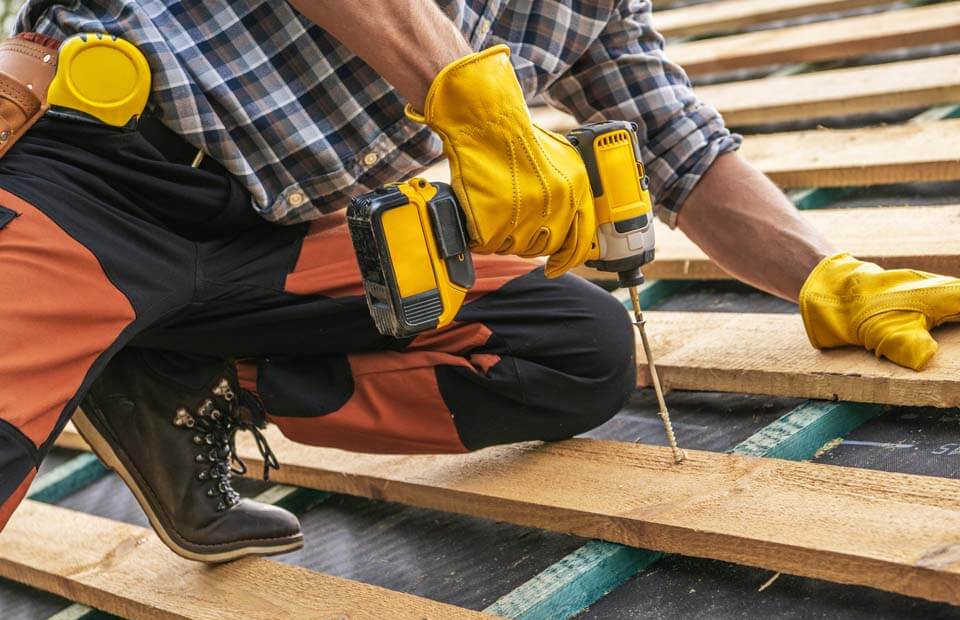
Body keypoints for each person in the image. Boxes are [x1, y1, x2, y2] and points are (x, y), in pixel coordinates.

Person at [1, 0, 957, 561]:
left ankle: (179, 377)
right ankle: (124, 338)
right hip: (96, 172)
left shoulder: (595, 11)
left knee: (572, 349)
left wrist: (828, 274)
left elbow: (683, 151)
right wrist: (467, 88)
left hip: (267, 237)